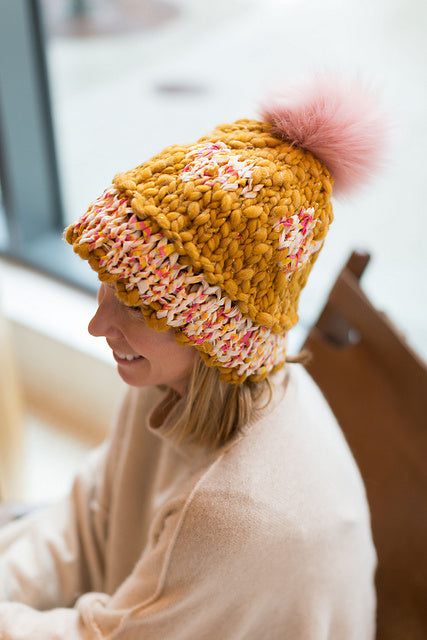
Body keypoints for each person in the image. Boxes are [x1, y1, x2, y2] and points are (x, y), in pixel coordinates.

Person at [0, 77, 386, 639]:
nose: (98, 324)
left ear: (213, 336)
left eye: (137, 304)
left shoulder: (235, 512)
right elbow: (92, 515)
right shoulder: (173, 379)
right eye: (107, 284)